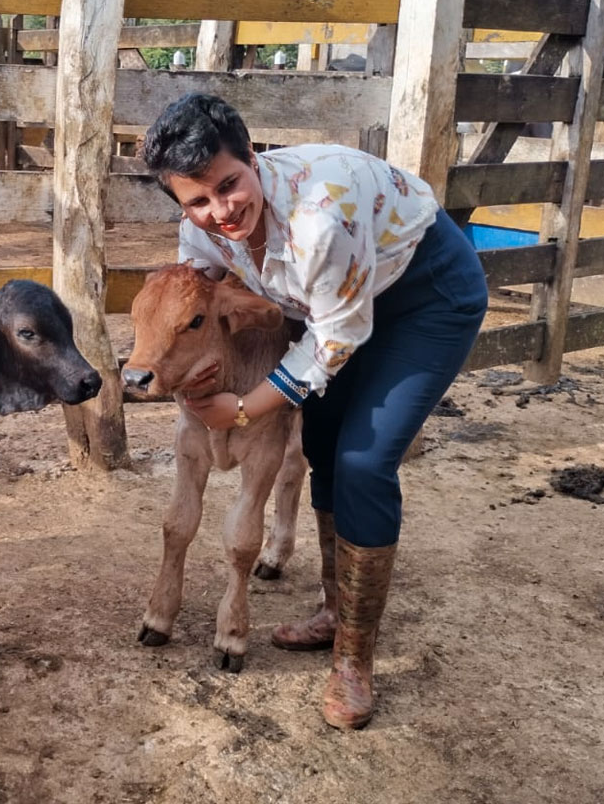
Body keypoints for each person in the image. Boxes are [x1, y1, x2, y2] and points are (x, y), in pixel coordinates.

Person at [139, 93, 487, 730]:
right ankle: (333, 610)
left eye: (229, 185)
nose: (220, 211)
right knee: (323, 441)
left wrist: (243, 407)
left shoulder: (318, 215)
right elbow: (202, 300)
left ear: (252, 155)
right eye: (198, 201)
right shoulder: (202, 230)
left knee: (363, 460)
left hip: (424, 296)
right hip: (330, 305)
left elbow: (333, 343)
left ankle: (354, 659)